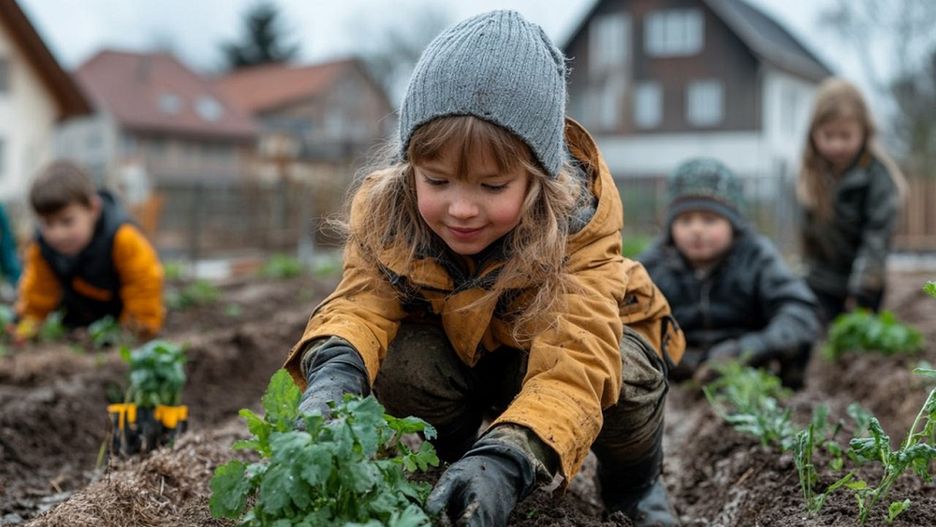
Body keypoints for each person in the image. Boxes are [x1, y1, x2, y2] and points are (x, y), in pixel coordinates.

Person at [284, 10, 685, 527]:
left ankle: (635, 488)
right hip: (465, 356)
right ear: (411, 167)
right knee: (401, 360)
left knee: (625, 374)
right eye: (438, 181)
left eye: (492, 187)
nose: (462, 209)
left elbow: (576, 359)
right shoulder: (388, 211)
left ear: (538, 179)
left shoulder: (577, 226)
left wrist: (509, 458)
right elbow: (362, 302)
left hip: (554, 354)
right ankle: (451, 466)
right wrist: (336, 368)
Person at [639, 158, 819, 389]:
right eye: (685, 220)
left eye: (709, 219)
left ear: (733, 223)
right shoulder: (652, 265)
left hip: (748, 374)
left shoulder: (756, 256)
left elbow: (800, 314)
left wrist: (744, 350)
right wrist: (676, 358)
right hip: (670, 377)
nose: (696, 230)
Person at [797, 77, 906, 323]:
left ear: (864, 132)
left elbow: (877, 235)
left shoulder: (877, 176)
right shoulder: (812, 176)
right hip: (822, 281)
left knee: (859, 337)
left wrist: (863, 286)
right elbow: (809, 237)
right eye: (828, 135)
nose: (836, 144)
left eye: (845, 136)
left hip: (865, 281)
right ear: (813, 134)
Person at [16, 160, 164, 339]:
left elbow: (143, 284)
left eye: (67, 221)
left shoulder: (122, 238)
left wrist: (138, 330)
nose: (57, 234)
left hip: (119, 318)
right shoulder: (42, 248)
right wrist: (27, 327)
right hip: (79, 322)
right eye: (48, 223)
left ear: (93, 209)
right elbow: (38, 293)